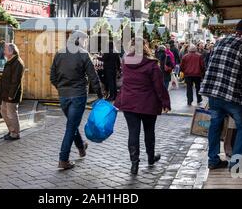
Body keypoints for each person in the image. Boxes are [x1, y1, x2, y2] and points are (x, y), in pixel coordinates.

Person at [200, 18, 242, 173]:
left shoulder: (219, 42)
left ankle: (213, 160)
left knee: (215, 125)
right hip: (232, 96)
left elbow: (210, 65)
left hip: (213, 93)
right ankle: (236, 165)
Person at [114, 38, 171, 175]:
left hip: (129, 102)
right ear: (145, 47)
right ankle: (151, 158)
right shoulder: (152, 64)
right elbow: (159, 86)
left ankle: (134, 164)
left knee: (133, 133)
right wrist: (165, 102)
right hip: (148, 103)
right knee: (149, 132)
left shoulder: (126, 62)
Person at [50, 30, 103, 170]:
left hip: (64, 96)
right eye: (85, 41)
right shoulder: (83, 54)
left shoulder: (59, 53)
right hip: (78, 95)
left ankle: (81, 147)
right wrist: (100, 94)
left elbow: (52, 77)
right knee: (71, 127)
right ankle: (63, 159)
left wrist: (61, 88)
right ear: (79, 40)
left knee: (72, 124)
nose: (85, 44)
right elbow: (93, 76)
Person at [0, 43, 25, 141]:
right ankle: (11, 130)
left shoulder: (18, 63)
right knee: (3, 111)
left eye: (5, 50)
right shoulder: (10, 61)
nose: (4, 52)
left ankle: (15, 133)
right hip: (6, 93)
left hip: (11, 94)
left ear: (11, 51)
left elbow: (16, 81)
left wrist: (11, 95)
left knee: (11, 113)